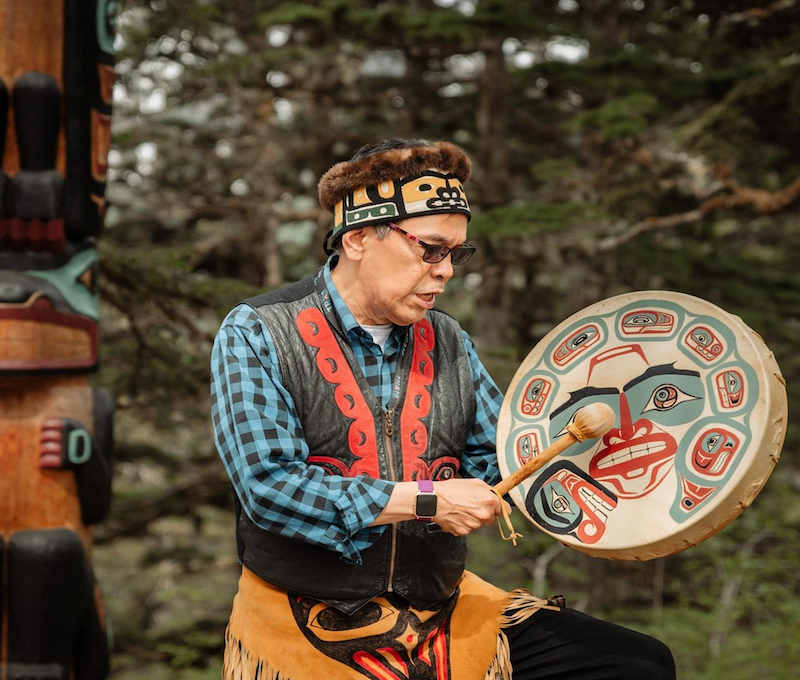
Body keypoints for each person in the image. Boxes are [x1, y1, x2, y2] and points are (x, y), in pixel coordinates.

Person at [211, 138, 676, 679]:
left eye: (457, 253)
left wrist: (606, 454)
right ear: (359, 237)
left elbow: (502, 457)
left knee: (637, 664)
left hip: (439, 611)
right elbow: (271, 488)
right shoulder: (258, 332)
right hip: (304, 619)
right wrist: (427, 500)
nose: (446, 270)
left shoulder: (448, 339)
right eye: (430, 248)